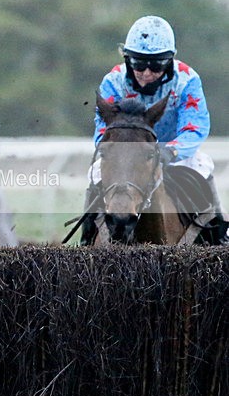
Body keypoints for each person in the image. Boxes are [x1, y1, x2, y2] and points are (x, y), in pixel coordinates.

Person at [80, 14, 227, 244]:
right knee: (97, 169)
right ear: (128, 59)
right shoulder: (113, 81)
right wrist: (117, 152)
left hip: (175, 151)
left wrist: (170, 152)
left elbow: (195, 127)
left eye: (156, 65)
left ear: (169, 62)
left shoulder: (187, 80)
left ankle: (219, 236)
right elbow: (103, 131)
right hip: (128, 153)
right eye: (139, 63)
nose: (147, 73)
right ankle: (87, 237)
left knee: (203, 164)